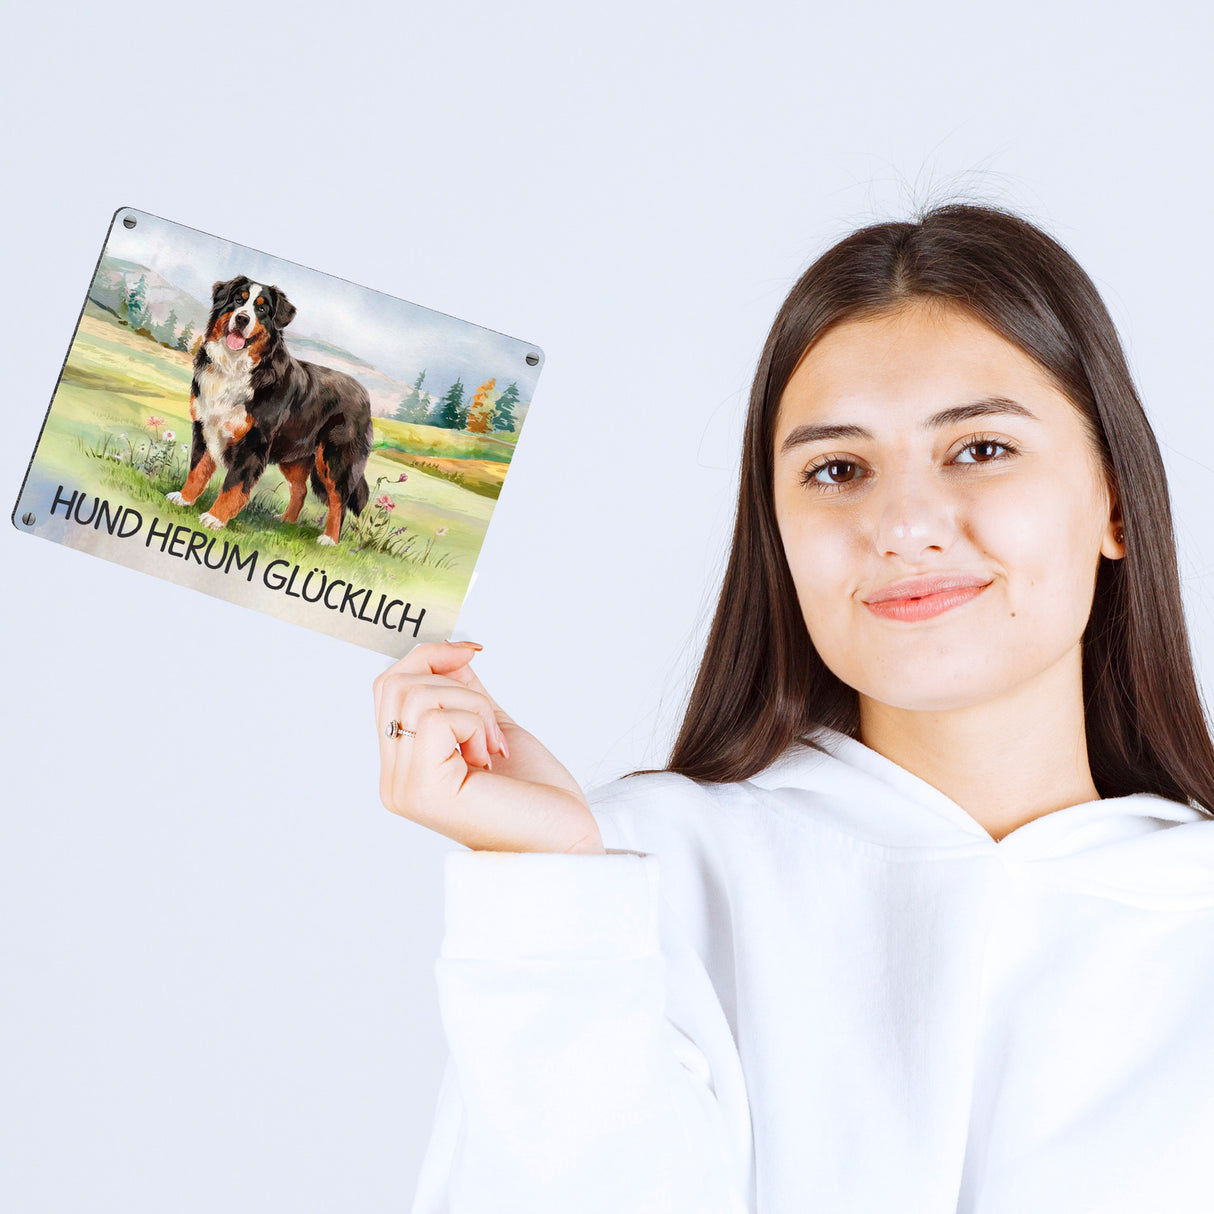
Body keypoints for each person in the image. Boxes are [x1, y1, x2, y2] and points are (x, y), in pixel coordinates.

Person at [373, 202, 1214, 1213]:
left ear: (1113, 498)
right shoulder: (630, 877)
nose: (901, 523)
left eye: (980, 448)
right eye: (835, 470)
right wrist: (549, 893)